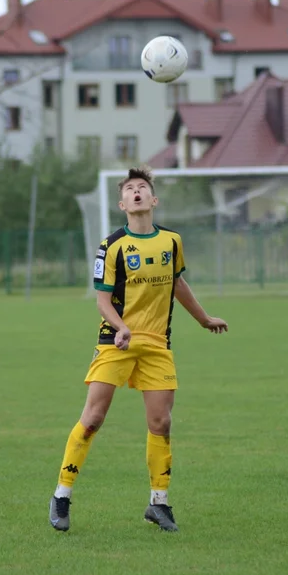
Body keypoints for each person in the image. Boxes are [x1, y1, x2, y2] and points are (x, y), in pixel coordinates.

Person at [48, 166, 228, 533]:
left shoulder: (171, 242)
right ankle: (62, 495)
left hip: (157, 344)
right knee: (94, 417)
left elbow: (178, 284)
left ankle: (159, 504)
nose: (136, 192)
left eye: (142, 187)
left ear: (153, 199)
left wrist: (203, 318)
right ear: (121, 203)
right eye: (129, 189)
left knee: (161, 422)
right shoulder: (112, 245)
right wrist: (121, 327)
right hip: (115, 341)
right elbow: (101, 300)